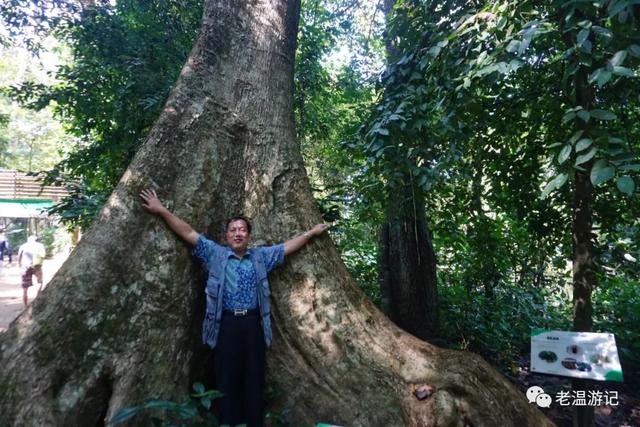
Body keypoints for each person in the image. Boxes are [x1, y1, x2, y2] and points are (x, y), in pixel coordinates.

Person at [139, 188, 329, 427]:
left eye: (242, 230)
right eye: (233, 230)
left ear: (249, 235)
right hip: (225, 324)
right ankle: (228, 422)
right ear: (227, 235)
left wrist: (311, 233)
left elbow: (286, 247)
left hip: (252, 324)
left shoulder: (260, 257)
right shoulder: (215, 254)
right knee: (226, 376)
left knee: (254, 376)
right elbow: (188, 232)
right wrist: (160, 209)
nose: (237, 234)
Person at [18, 235, 46, 307]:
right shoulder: (40, 245)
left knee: (25, 287)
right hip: (37, 266)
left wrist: (20, 266)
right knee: (39, 282)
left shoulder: (23, 246)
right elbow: (43, 255)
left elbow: (19, 257)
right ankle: (37, 299)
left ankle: (25, 306)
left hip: (25, 267)